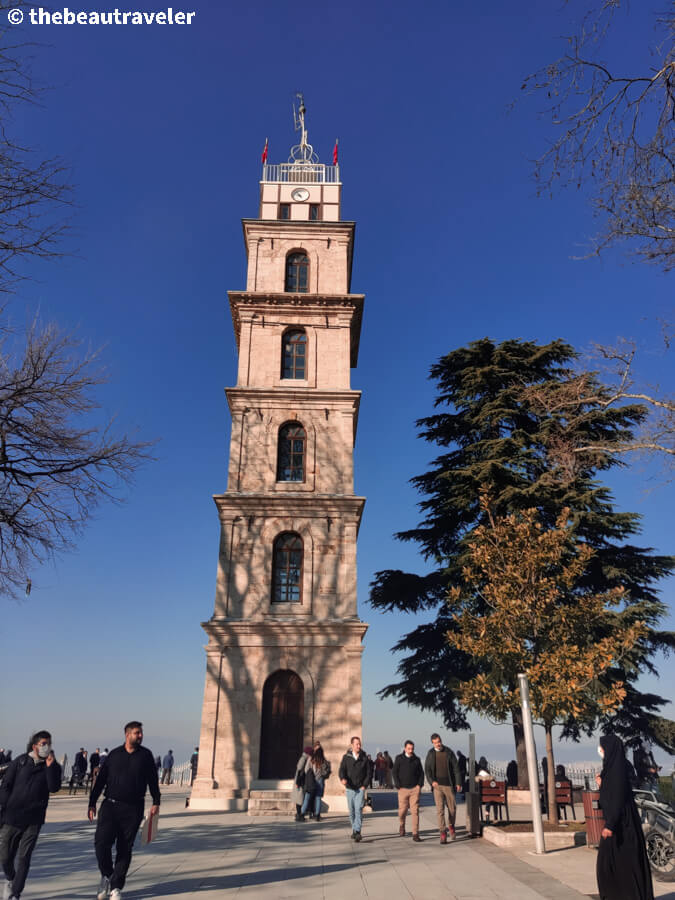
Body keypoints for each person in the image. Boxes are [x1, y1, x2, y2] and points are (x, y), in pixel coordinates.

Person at [88, 720, 160, 900]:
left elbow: (153, 780)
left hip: (133, 808)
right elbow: (101, 780)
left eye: (141, 733)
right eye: (137, 733)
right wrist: (92, 803)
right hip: (110, 806)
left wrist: (156, 802)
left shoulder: (146, 756)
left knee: (124, 848)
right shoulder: (114, 755)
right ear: (127, 735)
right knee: (101, 843)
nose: (141, 736)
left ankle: (116, 887)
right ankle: (107, 874)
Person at [0, 730, 62, 900]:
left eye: (49, 744)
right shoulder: (20, 761)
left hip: (33, 819)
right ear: (35, 746)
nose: (47, 747)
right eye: (43, 744)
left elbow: (54, 787)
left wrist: (50, 767)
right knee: (5, 856)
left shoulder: (53, 766)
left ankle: (16, 893)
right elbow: (5, 786)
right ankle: (11, 879)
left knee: (24, 857)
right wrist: (6, 805)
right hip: (12, 817)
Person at [595, 734, 654, 900]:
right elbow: (612, 795)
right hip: (619, 826)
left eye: (602, 747)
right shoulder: (613, 769)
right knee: (615, 867)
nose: (600, 750)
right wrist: (602, 785)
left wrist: (610, 825)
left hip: (621, 828)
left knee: (615, 867)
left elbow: (618, 799)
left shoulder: (617, 771)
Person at [424, 733, 462, 844]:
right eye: (436, 742)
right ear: (432, 743)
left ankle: (451, 825)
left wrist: (458, 782)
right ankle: (443, 832)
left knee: (452, 809)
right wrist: (432, 782)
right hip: (437, 786)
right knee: (440, 810)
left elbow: (456, 768)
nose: (438, 744)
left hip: (449, 785)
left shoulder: (449, 752)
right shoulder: (430, 754)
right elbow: (427, 770)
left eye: (439, 741)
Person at [392, 740, 424, 842]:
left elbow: (421, 774)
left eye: (412, 749)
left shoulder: (416, 759)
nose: (410, 750)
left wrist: (419, 785)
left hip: (414, 789)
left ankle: (415, 833)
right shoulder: (399, 758)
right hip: (402, 789)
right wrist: (398, 785)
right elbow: (394, 772)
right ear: (405, 748)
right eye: (409, 748)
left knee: (415, 811)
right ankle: (402, 825)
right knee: (402, 811)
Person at [339, 736, 369, 842]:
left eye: (360, 744)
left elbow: (369, 773)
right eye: (357, 744)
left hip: (360, 788)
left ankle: (357, 831)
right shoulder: (346, 757)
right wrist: (343, 778)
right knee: (351, 811)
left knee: (358, 810)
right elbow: (342, 770)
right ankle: (354, 829)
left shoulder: (364, 758)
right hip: (350, 789)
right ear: (352, 745)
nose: (359, 746)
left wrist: (364, 785)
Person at [300, 745, 331, 822]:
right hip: (320, 780)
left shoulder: (311, 759)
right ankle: (317, 815)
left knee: (307, 797)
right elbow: (326, 772)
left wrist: (311, 774)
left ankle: (302, 814)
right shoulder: (323, 760)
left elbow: (306, 769)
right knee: (318, 798)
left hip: (311, 780)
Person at [292, 746, 312, 822]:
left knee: (299, 799)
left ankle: (299, 814)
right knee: (299, 799)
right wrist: (298, 782)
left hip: (300, 781)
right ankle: (299, 815)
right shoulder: (304, 759)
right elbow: (300, 771)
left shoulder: (304, 758)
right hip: (299, 781)